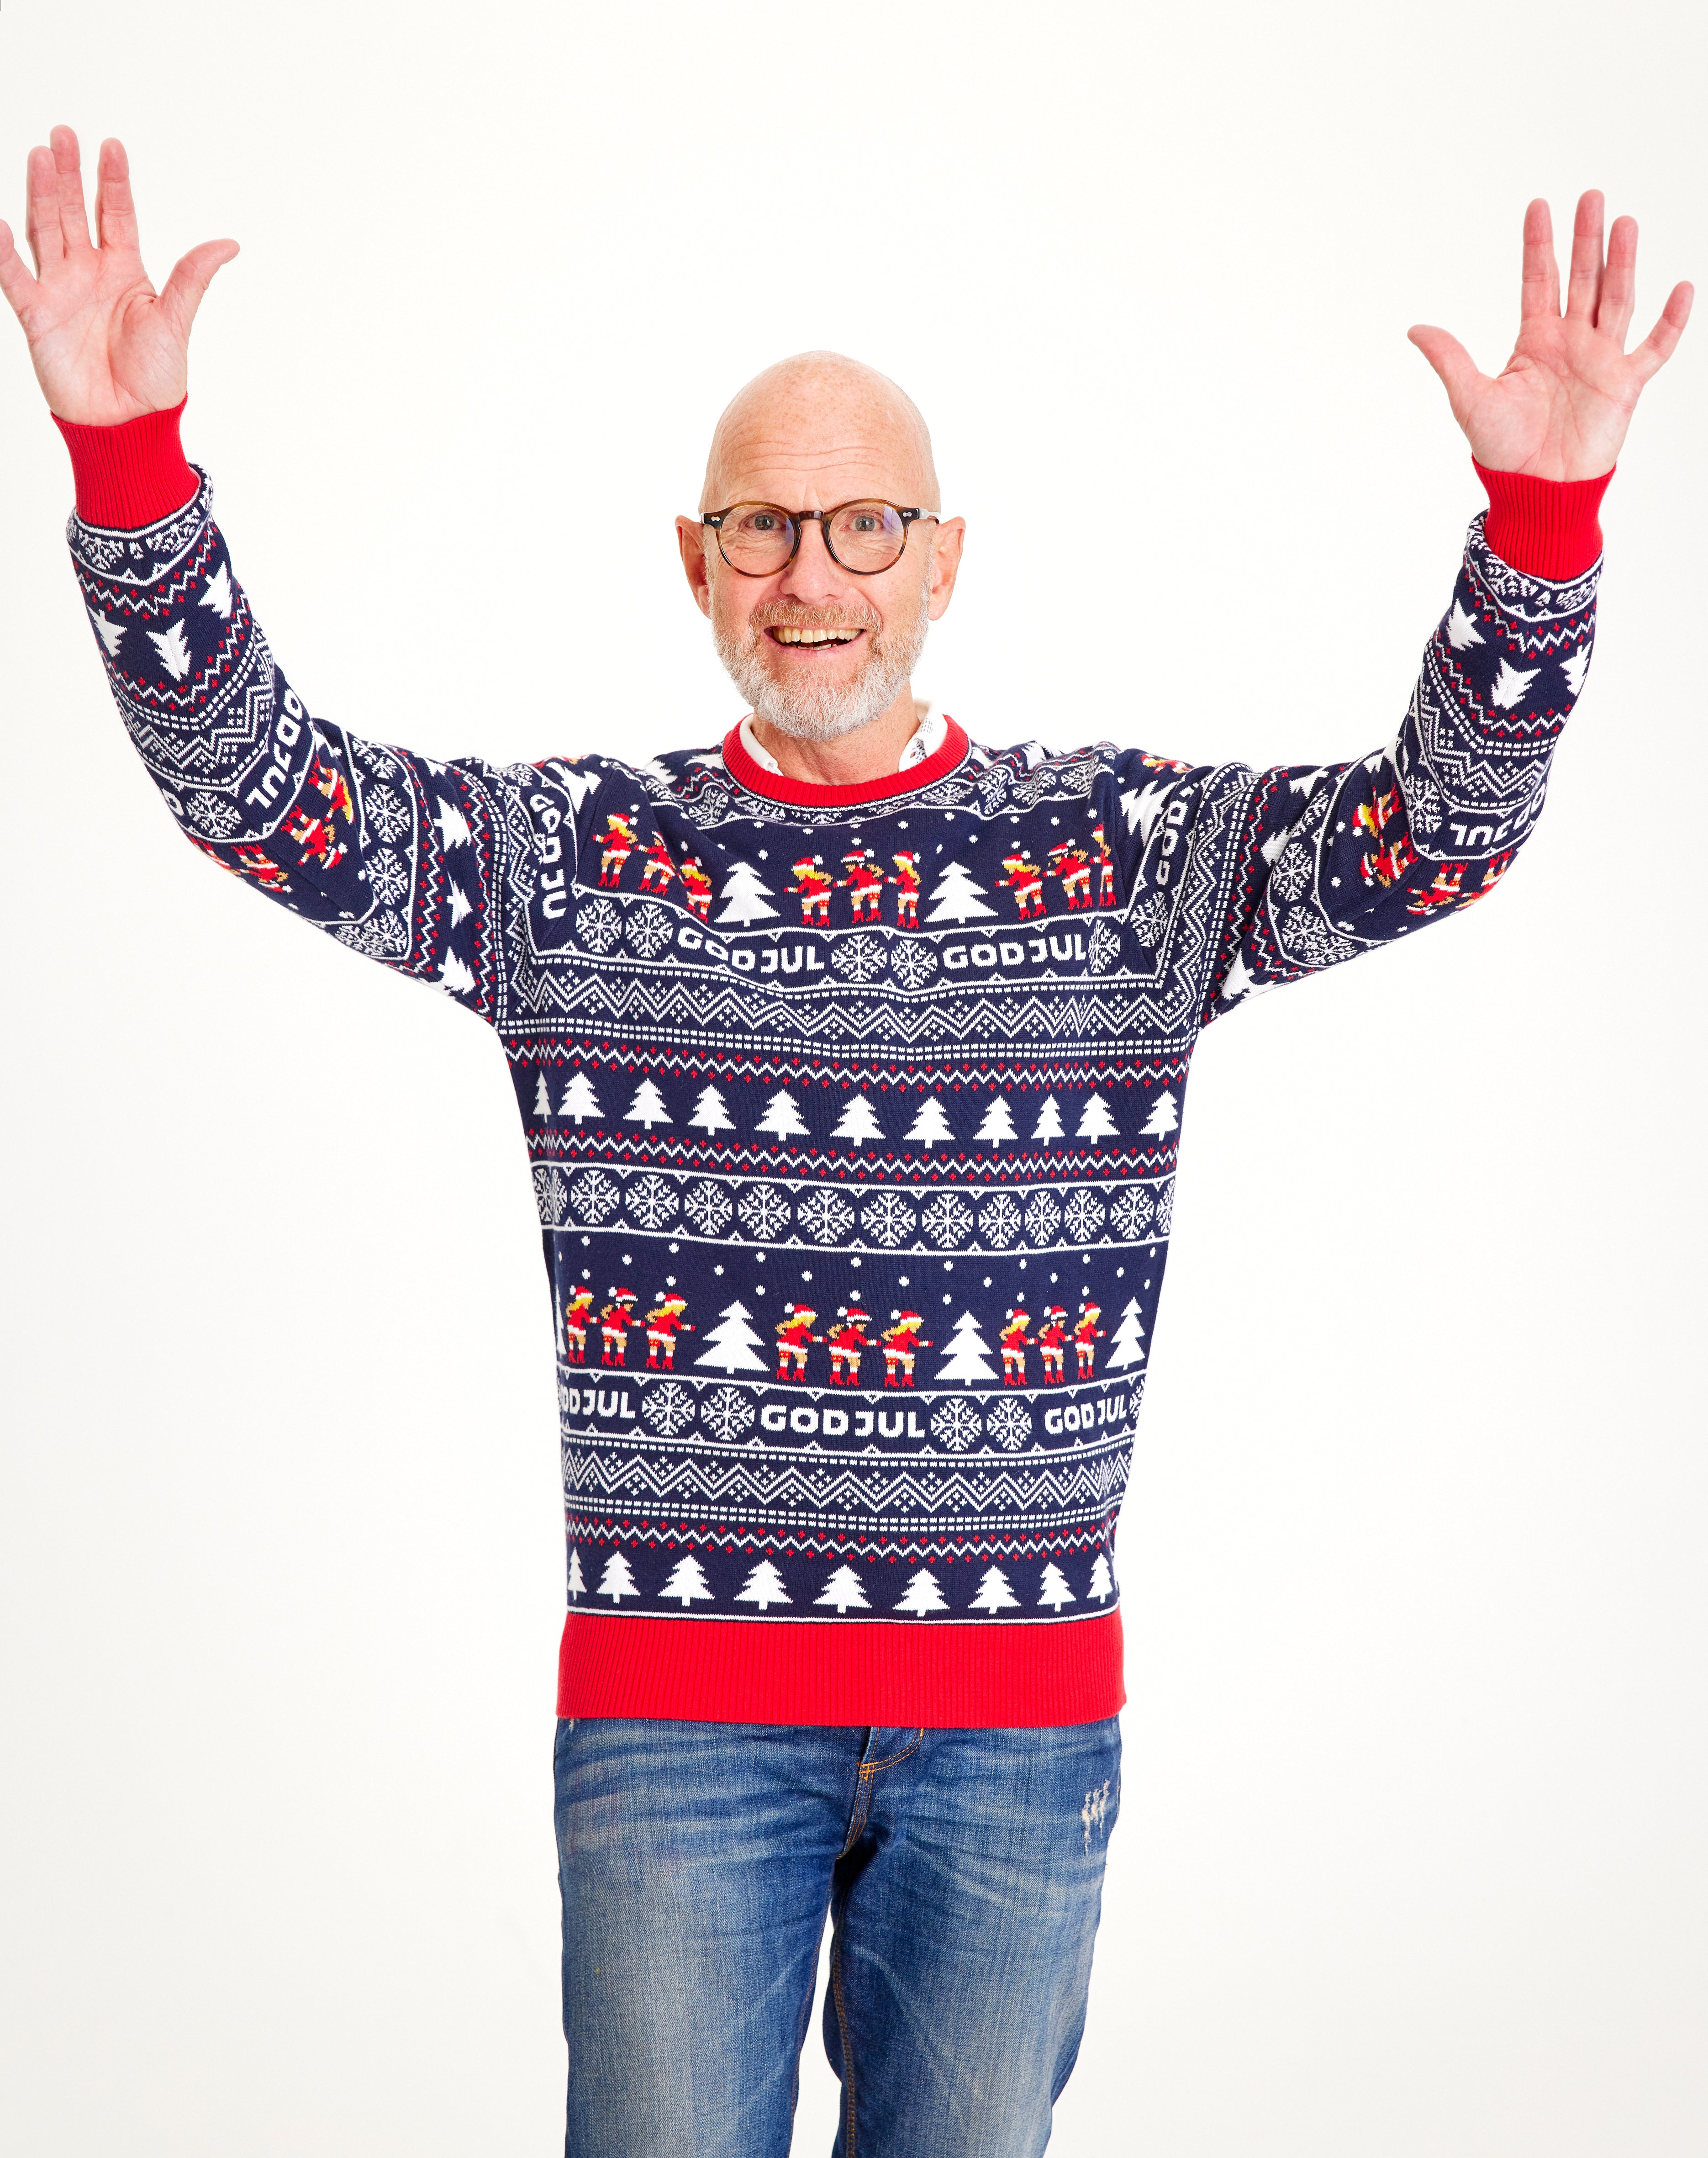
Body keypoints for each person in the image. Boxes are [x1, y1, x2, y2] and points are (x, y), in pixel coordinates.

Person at [0, 123, 1690, 2158]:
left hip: (1013, 1728)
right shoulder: (566, 863)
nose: (813, 576)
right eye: (763, 527)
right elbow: (263, 793)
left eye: (866, 524)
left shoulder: (1126, 854)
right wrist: (128, 463)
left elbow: (1435, 835)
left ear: (945, 560)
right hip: (680, 1715)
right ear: (695, 560)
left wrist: (1540, 517)